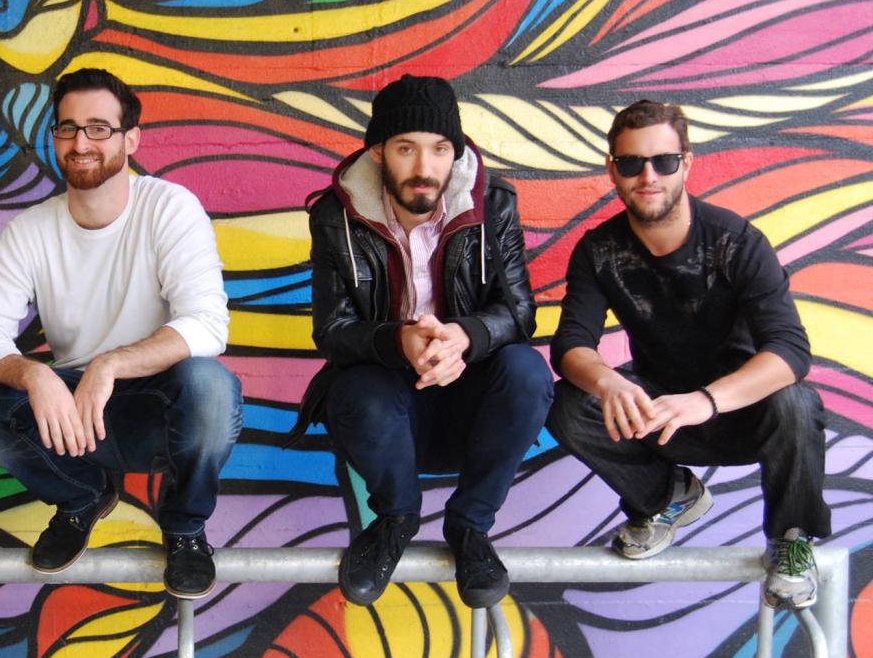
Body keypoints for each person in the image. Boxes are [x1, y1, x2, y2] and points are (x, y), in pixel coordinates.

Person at [0, 68, 241, 600]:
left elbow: (206, 324)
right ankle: (81, 498)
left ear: (131, 140)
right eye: (68, 128)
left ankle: (184, 531)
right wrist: (34, 375)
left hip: (159, 409)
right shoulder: (30, 230)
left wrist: (110, 365)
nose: (81, 142)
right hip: (73, 422)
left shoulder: (168, 208)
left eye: (99, 128)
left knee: (210, 386)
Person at [546, 100, 830, 609]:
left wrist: (707, 399)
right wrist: (608, 381)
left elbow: (789, 350)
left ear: (688, 163)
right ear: (612, 170)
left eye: (664, 161)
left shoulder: (736, 242)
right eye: (631, 163)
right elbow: (571, 345)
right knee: (570, 403)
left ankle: (791, 541)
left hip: (743, 408)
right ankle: (668, 497)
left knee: (797, 400)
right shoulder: (598, 250)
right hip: (659, 413)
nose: (648, 176)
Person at [294, 74, 552, 608]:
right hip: (388, 412)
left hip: (470, 401)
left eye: (439, 150)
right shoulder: (335, 216)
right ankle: (395, 518)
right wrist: (400, 341)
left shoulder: (493, 203)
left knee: (527, 372)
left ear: (453, 154)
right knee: (355, 388)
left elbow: (521, 314)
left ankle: (470, 529)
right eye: (406, 148)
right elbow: (333, 332)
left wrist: (465, 335)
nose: (424, 167)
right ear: (378, 151)